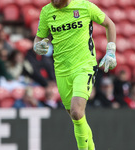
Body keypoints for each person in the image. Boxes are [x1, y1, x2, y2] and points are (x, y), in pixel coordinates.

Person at [33, 0, 117, 149]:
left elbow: (110, 24)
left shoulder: (85, 6)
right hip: (61, 70)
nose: (54, 1)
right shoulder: (47, 11)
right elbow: (39, 38)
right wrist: (37, 46)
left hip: (84, 66)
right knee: (76, 118)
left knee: (77, 112)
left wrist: (110, 50)